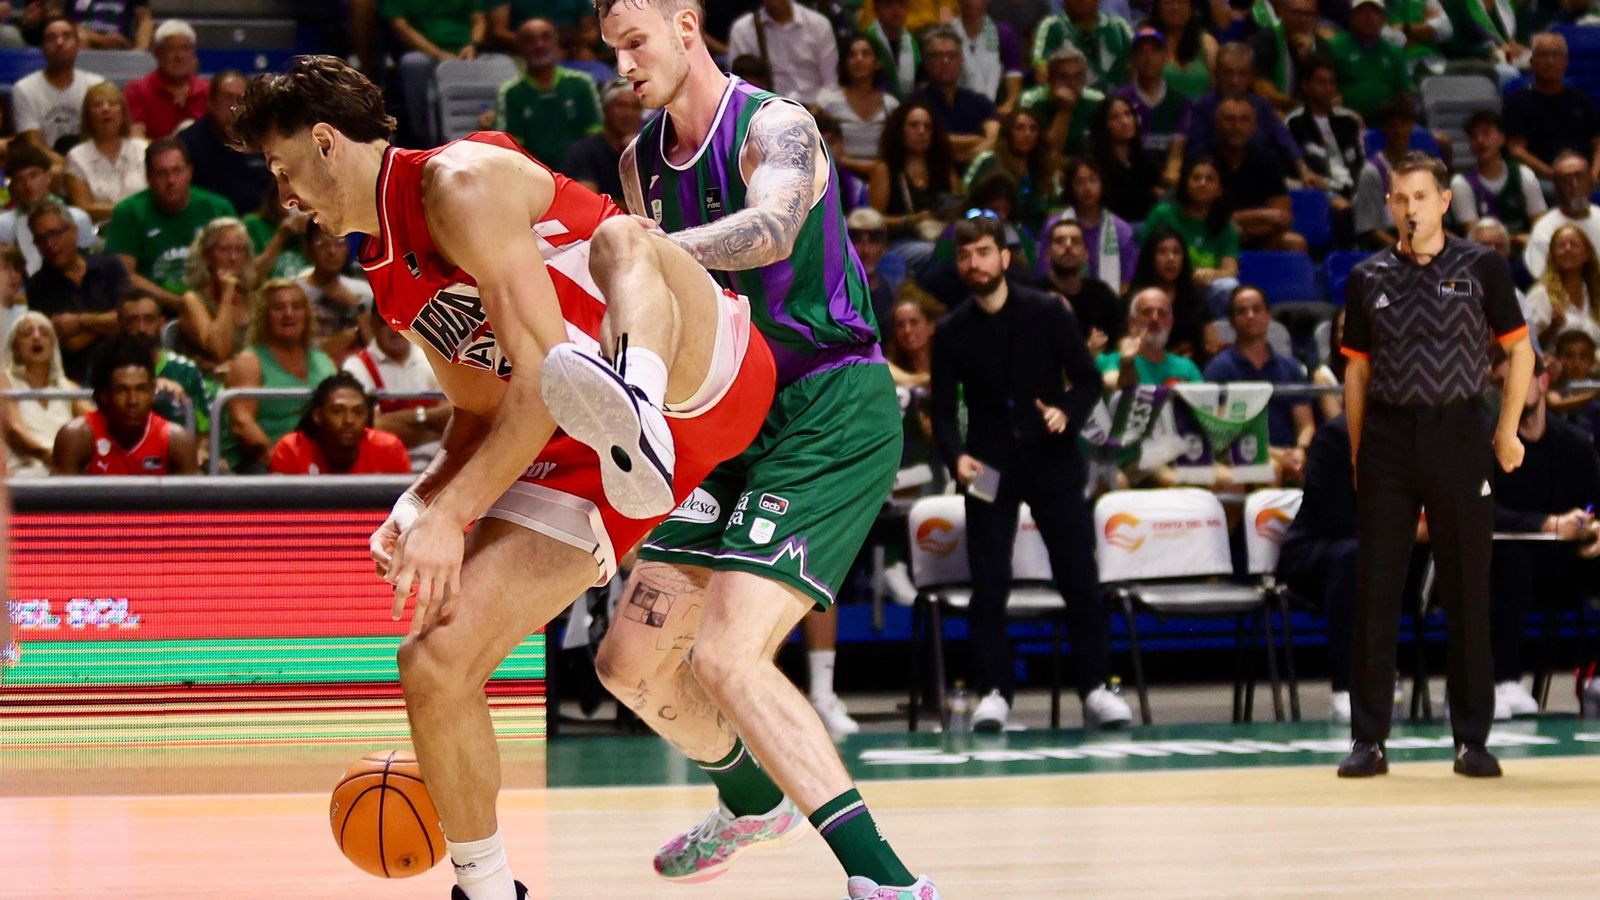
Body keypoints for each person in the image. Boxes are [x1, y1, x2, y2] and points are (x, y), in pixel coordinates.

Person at [232, 53, 776, 900]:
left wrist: (459, 516)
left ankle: (635, 397)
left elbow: (543, 370)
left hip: (708, 374)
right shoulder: (387, 271)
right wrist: (422, 503)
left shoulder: (460, 182)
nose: (283, 191)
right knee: (435, 663)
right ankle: (489, 890)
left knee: (614, 281)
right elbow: (484, 410)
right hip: (586, 441)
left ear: (328, 142)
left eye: (281, 165)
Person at [595, 3, 936, 897]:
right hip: (728, 418)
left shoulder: (776, 126)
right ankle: (751, 799)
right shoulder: (639, 164)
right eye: (612, 50)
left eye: (636, 42)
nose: (624, 65)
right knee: (628, 661)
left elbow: (773, 228)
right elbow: (666, 310)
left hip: (830, 404)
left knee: (726, 657)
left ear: (686, 25)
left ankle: (887, 881)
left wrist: (647, 255)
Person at [1337, 151, 1535, 780]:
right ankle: (1368, 740)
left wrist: (1505, 431)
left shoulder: (1482, 266)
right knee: (1377, 591)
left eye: (1420, 197)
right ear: (1389, 204)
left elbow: (1520, 352)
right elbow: (1357, 371)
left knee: (1466, 589)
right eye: (1400, 199)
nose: (1409, 208)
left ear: (1444, 201)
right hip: (1390, 439)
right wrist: (1357, 453)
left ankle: (1471, 739)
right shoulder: (1367, 276)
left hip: (1459, 432)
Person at [929, 215, 1132, 732]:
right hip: (987, 466)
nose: (972, 263)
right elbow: (943, 411)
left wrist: (1066, 411)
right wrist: (956, 457)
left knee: (1079, 578)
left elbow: (1087, 382)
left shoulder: (1048, 312)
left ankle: (1096, 688)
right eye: (964, 255)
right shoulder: (951, 331)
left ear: (1005, 257)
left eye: (982, 252)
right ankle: (993, 692)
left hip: (1054, 458)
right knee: (989, 583)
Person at [1488, 354, 1600, 720]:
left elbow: (1595, 501)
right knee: (1510, 561)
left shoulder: (1575, 444)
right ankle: (1504, 681)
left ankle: (1596, 675)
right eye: (1504, 384)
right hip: (1505, 562)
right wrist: (1550, 524)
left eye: (1520, 379)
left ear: (1543, 382)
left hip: (1567, 560)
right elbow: (1483, 510)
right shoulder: (1484, 443)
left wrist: (1595, 527)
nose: (1513, 390)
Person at [1276, 413, 1361, 721]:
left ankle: (1475, 687)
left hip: (1380, 545)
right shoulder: (1335, 435)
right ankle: (1346, 687)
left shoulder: (1417, 434)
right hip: (1315, 551)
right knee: (1354, 555)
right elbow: (1335, 518)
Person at [220, 280, 338, 474]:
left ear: (307, 315)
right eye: (278, 307)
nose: (288, 314)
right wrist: (283, 461)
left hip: (320, 459)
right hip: (260, 461)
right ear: (264, 316)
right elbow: (242, 424)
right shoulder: (249, 360)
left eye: (297, 307)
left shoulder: (322, 359)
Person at [102, 136, 236, 304]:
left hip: (211, 302)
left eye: (177, 171)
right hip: (152, 307)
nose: (171, 181)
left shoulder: (218, 208)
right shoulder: (129, 212)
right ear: (148, 178)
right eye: (161, 173)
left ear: (190, 172)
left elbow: (236, 264)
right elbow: (123, 275)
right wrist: (178, 303)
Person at [1202, 284, 1314, 481]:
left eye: (1257, 309)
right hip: (1238, 455)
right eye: (1242, 311)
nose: (1250, 315)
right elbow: (1224, 431)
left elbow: (1306, 425)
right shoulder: (1218, 369)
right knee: (1271, 469)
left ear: (1268, 316)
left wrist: (1300, 451)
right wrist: (1277, 455)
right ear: (1232, 321)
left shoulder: (1290, 367)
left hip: (1290, 455)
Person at [52, 339, 199, 475]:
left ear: (152, 392)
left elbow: (194, 502)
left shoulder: (178, 441)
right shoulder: (75, 438)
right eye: (121, 390)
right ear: (104, 395)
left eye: (141, 389)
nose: (133, 400)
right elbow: (58, 502)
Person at [24, 200, 128, 383]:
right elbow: (70, 343)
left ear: (73, 231)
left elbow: (128, 320)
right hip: (75, 377)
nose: (50, 244)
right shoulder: (37, 285)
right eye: (40, 239)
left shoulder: (109, 266)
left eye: (54, 234)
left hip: (124, 367)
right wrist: (108, 321)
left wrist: (80, 321)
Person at [495, 18, 602, 175]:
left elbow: (595, 136)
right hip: (532, 176)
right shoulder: (511, 92)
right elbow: (511, 150)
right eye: (530, 40)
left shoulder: (581, 83)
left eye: (545, 37)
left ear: (556, 41)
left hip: (580, 173)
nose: (539, 45)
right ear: (520, 47)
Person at [1140, 155, 1241, 317]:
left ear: (1219, 189)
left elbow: (1230, 270)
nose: (1202, 183)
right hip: (1163, 284)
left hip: (1204, 289)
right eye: (1196, 178)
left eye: (1209, 179)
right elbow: (1142, 257)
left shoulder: (1226, 226)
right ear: (1186, 184)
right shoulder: (1163, 214)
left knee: (1228, 287)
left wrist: (1212, 273)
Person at [341, 314, 451, 455]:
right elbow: (374, 426)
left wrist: (410, 418)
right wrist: (435, 429)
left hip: (440, 463)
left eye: (401, 320)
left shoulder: (433, 357)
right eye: (385, 322)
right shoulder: (356, 366)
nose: (394, 328)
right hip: (384, 466)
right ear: (373, 324)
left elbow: (455, 415)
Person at [869, 100, 961, 266]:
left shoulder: (944, 169)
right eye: (914, 125)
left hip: (941, 236)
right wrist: (911, 220)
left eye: (927, 127)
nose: (921, 131)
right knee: (938, 252)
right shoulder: (885, 169)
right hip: (900, 243)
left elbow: (958, 207)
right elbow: (874, 221)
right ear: (900, 131)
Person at [0, 312, 92, 476]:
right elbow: (13, 430)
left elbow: (94, 423)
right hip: (24, 472)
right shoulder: (4, 381)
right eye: (27, 334)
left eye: (44, 333)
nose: (36, 337)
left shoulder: (68, 387)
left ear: (53, 345)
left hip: (65, 470)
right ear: (15, 349)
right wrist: (47, 455)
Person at [269, 372, 412, 475]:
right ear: (318, 416)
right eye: (337, 411)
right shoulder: (290, 450)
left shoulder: (389, 449)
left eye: (358, 412)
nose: (349, 420)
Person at [1212, 96, 1306, 252]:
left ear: (1254, 125)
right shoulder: (1205, 159)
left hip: (1260, 237)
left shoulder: (1267, 160)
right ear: (1217, 125)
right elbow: (1202, 219)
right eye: (1229, 120)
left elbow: (1282, 218)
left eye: (1244, 120)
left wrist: (1240, 226)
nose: (1237, 126)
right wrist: (1262, 215)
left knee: (1294, 242)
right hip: (1213, 239)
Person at [1503, 32, 1600, 182]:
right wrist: (1554, 176)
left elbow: (1597, 144)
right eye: (1543, 55)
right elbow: (1516, 150)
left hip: (1582, 175)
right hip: (1542, 178)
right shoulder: (1519, 101)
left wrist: (1592, 176)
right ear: (1532, 62)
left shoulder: (1581, 99)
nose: (1550, 62)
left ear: (1566, 62)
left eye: (1556, 55)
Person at [390, 0, 489, 146]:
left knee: (503, 63)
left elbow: (479, 20)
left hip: (467, 52)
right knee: (413, 63)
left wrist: (472, 45)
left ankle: (489, 135)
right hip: (425, 53)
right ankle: (424, 139)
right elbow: (400, 26)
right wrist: (438, 54)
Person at [115, 291, 211, 434]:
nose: (141, 328)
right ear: (120, 325)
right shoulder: (107, 369)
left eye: (149, 320)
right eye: (133, 320)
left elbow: (205, 430)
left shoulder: (185, 370)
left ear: (161, 323)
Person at [178, 70, 271, 216]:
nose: (235, 106)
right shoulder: (188, 143)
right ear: (211, 103)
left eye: (241, 98)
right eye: (228, 97)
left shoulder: (264, 139)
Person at [12, 16, 105, 156]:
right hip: (46, 167)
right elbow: (34, 145)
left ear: (78, 45)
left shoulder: (96, 85)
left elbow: (104, 138)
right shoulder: (24, 88)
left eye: (67, 36)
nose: (59, 42)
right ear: (42, 48)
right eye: (51, 38)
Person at [0, 141, 97, 275]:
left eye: (34, 176)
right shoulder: (3, 225)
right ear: (12, 186)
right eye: (20, 180)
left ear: (48, 176)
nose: (28, 185)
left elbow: (89, 263)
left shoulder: (77, 218)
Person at [175, 217, 256, 371]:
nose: (233, 258)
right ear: (207, 256)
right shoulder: (192, 300)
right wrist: (227, 295)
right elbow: (219, 351)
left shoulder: (254, 298)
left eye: (239, 250)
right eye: (224, 249)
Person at [1449, 111, 1545, 240]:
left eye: (1486, 133)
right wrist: (1516, 239)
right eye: (1474, 136)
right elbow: (1473, 235)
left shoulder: (1524, 175)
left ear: (1502, 138)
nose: (1480, 140)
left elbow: (1540, 223)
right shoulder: (1461, 183)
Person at [1043, 157, 1134, 293]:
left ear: (1102, 184)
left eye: (1093, 180)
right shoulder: (1055, 226)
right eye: (1080, 182)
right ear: (1071, 187)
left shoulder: (1121, 230)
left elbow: (1126, 283)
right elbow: (1044, 274)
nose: (1087, 188)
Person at [1283, 55, 1363, 208]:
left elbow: (1362, 160)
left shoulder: (1349, 120)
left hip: (1355, 190)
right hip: (1321, 194)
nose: (1327, 88)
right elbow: (1290, 170)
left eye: (1331, 83)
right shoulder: (1293, 123)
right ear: (1306, 85)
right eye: (1321, 82)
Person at [1115, 25, 1191, 183]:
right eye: (1141, 51)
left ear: (1165, 56)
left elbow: (1176, 157)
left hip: (1166, 184)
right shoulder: (1118, 100)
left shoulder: (1180, 102)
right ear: (1133, 58)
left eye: (1155, 50)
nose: (1148, 57)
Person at [961, 107, 1058, 232]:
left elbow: (1054, 207)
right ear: (1008, 132)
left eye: (1033, 129)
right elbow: (968, 199)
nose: (1027, 133)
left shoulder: (1045, 169)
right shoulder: (987, 161)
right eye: (1019, 128)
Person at [815, 35, 901, 176]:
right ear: (845, 63)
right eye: (852, 55)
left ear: (877, 63)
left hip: (883, 176)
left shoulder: (891, 105)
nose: (859, 59)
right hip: (839, 174)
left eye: (865, 54)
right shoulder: (828, 103)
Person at [64, 82, 149, 222]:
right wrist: (132, 210)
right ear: (88, 116)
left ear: (123, 112)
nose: (106, 109)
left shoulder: (143, 150)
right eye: (97, 105)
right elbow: (84, 209)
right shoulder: (77, 156)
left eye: (112, 103)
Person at [913, 28, 1000, 164]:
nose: (945, 61)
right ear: (926, 62)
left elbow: (995, 138)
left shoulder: (979, 102)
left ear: (961, 61)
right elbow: (927, 141)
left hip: (975, 172)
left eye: (952, 55)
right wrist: (976, 140)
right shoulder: (914, 103)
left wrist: (966, 156)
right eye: (937, 56)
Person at [727, 0, 838, 106]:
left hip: (817, 108)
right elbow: (741, 86)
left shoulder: (818, 24)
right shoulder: (743, 30)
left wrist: (820, 107)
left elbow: (831, 82)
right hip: (769, 110)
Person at [1128, 223, 1214, 360]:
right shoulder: (1133, 299)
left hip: (1189, 371)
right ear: (1150, 257)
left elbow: (1211, 342)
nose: (1171, 259)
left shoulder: (1195, 297)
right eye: (1162, 252)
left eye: (1176, 252)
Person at [1041, 216, 1120, 351]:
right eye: (1059, 241)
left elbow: (1117, 344)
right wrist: (1086, 352)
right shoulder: (1034, 295)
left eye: (1075, 241)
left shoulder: (1102, 294)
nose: (1068, 246)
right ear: (1047, 254)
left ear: (1086, 254)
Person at [1100, 285, 1204, 388]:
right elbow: (1119, 388)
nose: (1154, 318)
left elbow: (1202, 403)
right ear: (1132, 322)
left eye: (1162, 313)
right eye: (1146, 312)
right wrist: (1127, 364)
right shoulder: (1111, 361)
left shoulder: (1187, 368)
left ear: (1170, 323)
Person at [297, 220, 375, 357]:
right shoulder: (296, 294)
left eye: (339, 243)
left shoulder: (364, 292)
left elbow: (377, 351)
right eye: (321, 244)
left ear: (347, 247)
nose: (332, 251)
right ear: (308, 249)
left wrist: (357, 306)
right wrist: (336, 341)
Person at [1328, 0, 1413, 124]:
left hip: (1387, 125)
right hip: (1344, 122)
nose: (1368, 17)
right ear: (1351, 16)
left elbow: (1404, 93)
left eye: (1375, 12)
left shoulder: (1394, 53)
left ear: (1383, 18)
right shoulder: (1334, 48)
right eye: (1362, 11)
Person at [1353, 97, 1422, 248]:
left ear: (1411, 127)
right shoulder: (1371, 172)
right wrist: (1405, 249)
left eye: (1403, 125)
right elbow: (1371, 231)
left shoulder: (1422, 168)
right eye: (1392, 126)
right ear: (1383, 129)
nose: (1398, 132)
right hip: (1385, 246)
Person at [123, 19, 207, 141]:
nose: (179, 56)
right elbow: (136, 139)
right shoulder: (136, 91)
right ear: (157, 54)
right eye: (171, 49)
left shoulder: (208, 91)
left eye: (185, 48)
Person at [565, 78, 644, 206]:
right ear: (605, 109)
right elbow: (589, 203)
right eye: (621, 105)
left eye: (635, 107)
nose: (628, 113)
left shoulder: (647, 150)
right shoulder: (583, 150)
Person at [1524, 153, 1600, 281]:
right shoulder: (1544, 228)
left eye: (1580, 176)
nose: (1574, 185)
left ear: (1591, 181)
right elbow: (1544, 278)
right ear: (1556, 187)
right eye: (1566, 180)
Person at [1524, 224, 1600, 351]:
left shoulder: (1596, 292)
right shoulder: (1540, 294)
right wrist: (1552, 328)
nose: (1567, 249)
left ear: (1587, 254)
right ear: (1552, 254)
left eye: (1574, 244)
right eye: (1560, 246)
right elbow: (1527, 347)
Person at [1018, 44, 1103, 158]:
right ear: (1050, 80)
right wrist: (1065, 110)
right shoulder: (1031, 101)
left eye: (1078, 76)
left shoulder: (1097, 100)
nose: (1072, 83)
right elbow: (1046, 156)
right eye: (1064, 77)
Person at [1090, 93, 1163, 224]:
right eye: (1114, 118)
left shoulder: (1147, 158)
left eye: (1128, 114)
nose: (1124, 122)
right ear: (1104, 124)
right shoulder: (1095, 164)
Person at [1031, 0, 1134, 90]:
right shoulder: (1051, 26)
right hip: (1069, 105)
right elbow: (1040, 69)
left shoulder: (1119, 26)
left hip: (1116, 106)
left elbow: (1139, 61)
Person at [1249, 0, 1330, 112]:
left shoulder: (1320, 45)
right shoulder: (1265, 39)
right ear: (1282, 12)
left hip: (1309, 113)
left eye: (1309, 14)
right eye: (1297, 13)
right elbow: (1262, 89)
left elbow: (1328, 89)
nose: (1303, 19)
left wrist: (1308, 58)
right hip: (1272, 111)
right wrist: (1300, 107)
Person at [953, 0, 1023, 111]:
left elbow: (1013, 93)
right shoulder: (947, 34)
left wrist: (1003, 110)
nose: (970, 2)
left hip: (995, 109)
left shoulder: (1004, 34)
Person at [1151, 0, 1218, 101]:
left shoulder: (1207, 43)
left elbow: (1216, 89)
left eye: (1182, 2)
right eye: (1168, 2)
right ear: (1158, 7)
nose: (1175, 7)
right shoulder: (1147, 42)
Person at [847, 206, 899, 327]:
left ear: (884, 247)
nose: (866, 251)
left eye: (874, 240)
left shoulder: (892, 290)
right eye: (856, 240)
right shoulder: (832, 292)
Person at [863, 0, 919, 99]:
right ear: (876, 10)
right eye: (888, 5)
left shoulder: (912, 43)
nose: (896, 11)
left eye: (901, 5)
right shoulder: (866, 43)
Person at [886, 295, 937, 388]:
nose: (907, 330)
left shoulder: (948, 362)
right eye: (900, 325)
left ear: (931, 327)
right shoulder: (886, 368)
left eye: (914, 322)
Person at [69, 0, 153, 50]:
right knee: (80, 38)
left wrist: (139, 53)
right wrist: (101, 39)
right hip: (80, 44)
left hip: (119, 47)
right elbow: (60, 20)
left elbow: (145, 20)